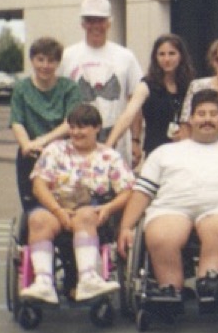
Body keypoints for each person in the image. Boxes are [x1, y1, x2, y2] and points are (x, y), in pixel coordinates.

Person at [117, 89, 218, 302]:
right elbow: (142, 191)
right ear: (191, 119)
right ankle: (169, 290)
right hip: (171, 208)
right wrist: (126, 227)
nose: (207, 119)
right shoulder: (164, 152)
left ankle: (210, 282)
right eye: (201, 114)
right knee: (161, 236)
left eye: (213, 114)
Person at [20, 104, 134, 304]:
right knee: (37, 220)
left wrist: (109, 208)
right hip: (55, 207)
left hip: (90, 210)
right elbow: (39, 185)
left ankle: (88, 279)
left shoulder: (109, 156)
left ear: (97, 128)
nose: (76, 132)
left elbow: (127, 191)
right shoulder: (55, 149)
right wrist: (58, 211)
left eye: (82, 127)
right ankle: (44, 282)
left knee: (86, 215)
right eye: (72, 127)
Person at [60, 0, 144, 163]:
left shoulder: (125, 56)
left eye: (100, 20)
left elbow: (134, 102)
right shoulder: (68, 55)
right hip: (77, 138)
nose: (95, 26)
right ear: (83, 23)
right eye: (90, 20)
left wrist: (136, 140)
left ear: (109, 23)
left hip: (117, 139)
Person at [8, 37, 82, 206]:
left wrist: (43, 141)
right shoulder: (21, 88)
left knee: (65, 205)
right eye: (40, 59)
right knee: (33, 207)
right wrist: (26, 145)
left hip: (63, 155)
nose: (45, 65)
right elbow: (16, 121)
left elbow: (70, 123)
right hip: (31, 154)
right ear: (32, 60)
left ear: (58, 63)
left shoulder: (69, 88)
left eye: (51, 60)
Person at [106, 33, 196, 165]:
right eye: (162, 54)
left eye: (172, 53)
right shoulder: (146, 85)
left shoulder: (191, 85)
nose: (167, 59)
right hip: (156, 153)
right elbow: (128, 114)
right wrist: (109, 143)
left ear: (181, 56)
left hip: (185, 152)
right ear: (155, 57)